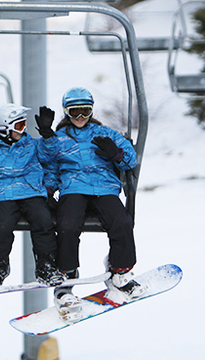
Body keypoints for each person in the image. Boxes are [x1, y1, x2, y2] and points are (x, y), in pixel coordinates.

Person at [45, 87, 144, 317]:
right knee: (67, 225)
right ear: (66, 113)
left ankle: (120, 270)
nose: (80, 117)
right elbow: (50, 166)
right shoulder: (59, 140)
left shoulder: (106, 134)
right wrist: (48, 189)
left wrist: (116, 154)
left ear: (91, 112)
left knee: (121, 222)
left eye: (85, 111)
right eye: (74, 112)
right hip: (74, 188)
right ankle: (66, 278)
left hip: (103, 187)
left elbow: (130, 160)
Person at [0, 103, 66, 293]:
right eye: (19, 126)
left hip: (30, 192)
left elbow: (50, 152)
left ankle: (46, 263)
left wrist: (47, 133)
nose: (24, 129)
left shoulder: (31, 144)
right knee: (2, 227)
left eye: (24, 125)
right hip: (2, 193)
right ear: (2, 129)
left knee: (43, 220)